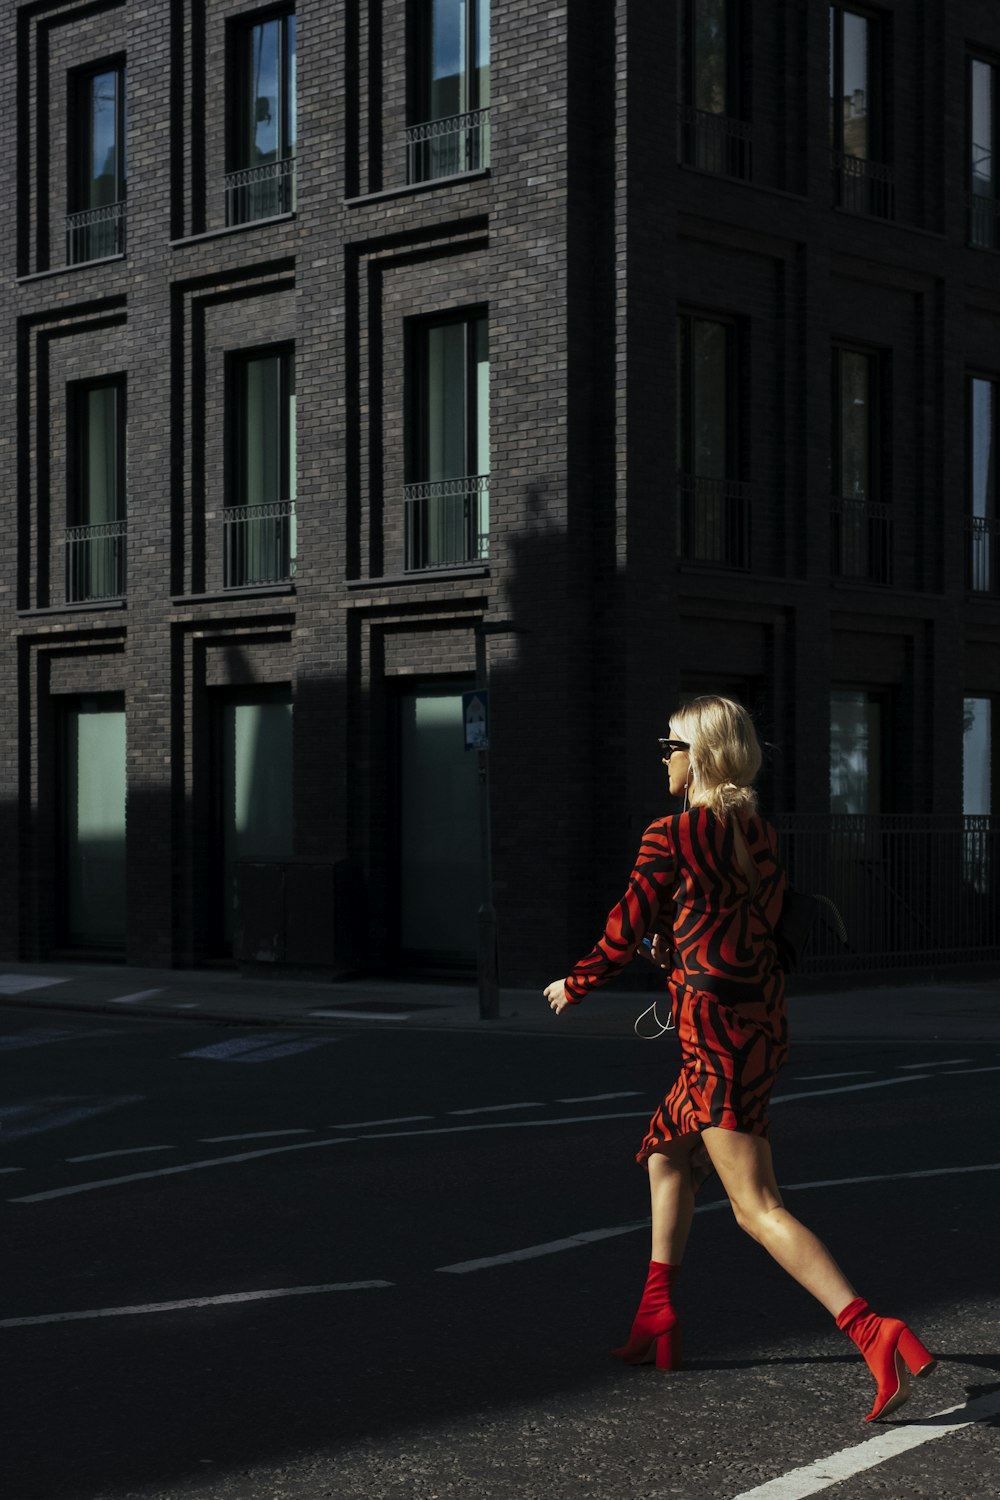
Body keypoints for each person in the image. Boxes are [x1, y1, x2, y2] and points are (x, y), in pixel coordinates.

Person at [543, 695, 934, 1422]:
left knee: (757, 1207)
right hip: (756, 1029)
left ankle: (873, 1331)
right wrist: (677, 943)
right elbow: (726, 925)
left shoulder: (670, 835)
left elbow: (624, 924)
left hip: (715, 1039)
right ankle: (656, 1316)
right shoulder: (754, 833)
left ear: (699, 755)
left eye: (671, 744)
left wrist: (577, 981)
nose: (664, 756)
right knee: (665, 1153)